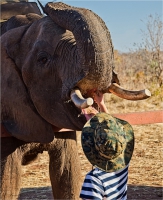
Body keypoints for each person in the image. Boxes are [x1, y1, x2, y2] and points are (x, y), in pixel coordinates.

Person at [80, 91, 134, 200]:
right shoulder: (123, 162)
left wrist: (92, 123)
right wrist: (101, 105)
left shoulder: (93, 180)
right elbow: (113, 132)